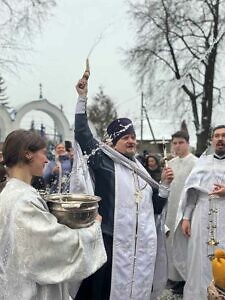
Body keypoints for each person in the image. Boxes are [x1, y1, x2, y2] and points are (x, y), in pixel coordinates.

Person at [73, 77, 174, 300]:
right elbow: (82, 133)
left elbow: (155, 209)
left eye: (133, 137)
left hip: (137, 251)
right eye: (126, 137)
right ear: (115, 141)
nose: (131, 141)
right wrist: (82, 98)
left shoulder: (141, 170)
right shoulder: (103, 161)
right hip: (109, 244)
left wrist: (165, 185)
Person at [0, 129, 106, 300]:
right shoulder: (24, 200)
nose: (46, 159)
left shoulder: (9, 193)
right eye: (42, 153)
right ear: (28, 154)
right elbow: (53, 248)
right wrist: (93, 229)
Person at [173, 125, 225, 300]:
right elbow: (192, 191)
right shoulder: (203, 162)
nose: (220, 139)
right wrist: (186, 217)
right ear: (212, 140)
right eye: (217, 136)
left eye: (224, 136)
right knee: (199, 259)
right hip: (202, 213)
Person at [165, 130, 197, 294]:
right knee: (171, 244)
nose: (177, 146)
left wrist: (189, 215)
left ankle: (186, 279)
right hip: (171, 209)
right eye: (175, 143)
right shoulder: (170, 163)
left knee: (185, 246)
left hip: (187, 211)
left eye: (180, 142)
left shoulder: (195, 163)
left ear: (187, 143)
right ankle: (174, 278)